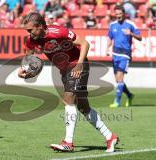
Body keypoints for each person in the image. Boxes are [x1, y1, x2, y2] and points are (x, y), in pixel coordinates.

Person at [18, 12, 118, 152]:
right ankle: (110, 136)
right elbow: (28, 56)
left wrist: (80, 64)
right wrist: (24, 69)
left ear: (40, 26)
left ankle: (68, 142)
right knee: (83, 107)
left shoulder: (59, 32)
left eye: (30, 30)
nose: (28, 33)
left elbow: (84, 43)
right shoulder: (32, 39)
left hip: (77, 65)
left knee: (68, 99)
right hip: (65, 71)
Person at [105, 5, 142, 108]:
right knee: (118, 80)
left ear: (124, 14)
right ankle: (130, 95)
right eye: (116, 14)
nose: (118, 16)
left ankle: (117, 101)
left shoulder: (130, 24)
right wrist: (107, 48)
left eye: (120, 14)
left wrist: (131, 33)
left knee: (120, 78)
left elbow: (140, 37)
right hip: (115, 54)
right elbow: (109, 38)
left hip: (125, 55)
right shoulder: (112, 25)